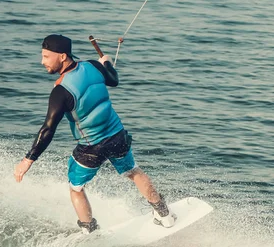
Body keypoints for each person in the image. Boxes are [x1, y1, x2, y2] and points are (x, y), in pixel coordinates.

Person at [14, 34, 175, 233]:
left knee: (76, 188)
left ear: (62, 56)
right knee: (133, 172)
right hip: (117, 136)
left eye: (47, 57)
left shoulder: (61, 90)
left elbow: (48, 129)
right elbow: (113, 80)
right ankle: (164, 214)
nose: (42, 61)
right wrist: (106, 63)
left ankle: (89, 230)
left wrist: (28, 159)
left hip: (91, 147)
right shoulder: (92, 66)